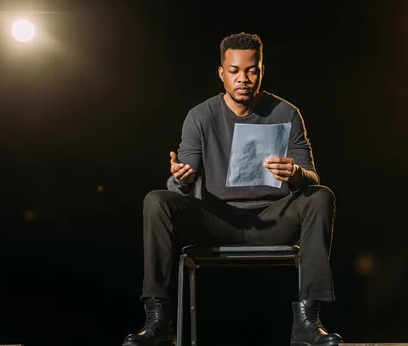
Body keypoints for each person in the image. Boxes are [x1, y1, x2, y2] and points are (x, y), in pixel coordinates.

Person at [122, 32, 342, 346]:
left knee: (321, 197)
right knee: (157, 200)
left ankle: (308, 320)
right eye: (235, 71)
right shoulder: (200, 116)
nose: (244, 78)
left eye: (251, 70)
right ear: (222, 73)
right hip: (218, 221)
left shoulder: (286, 113)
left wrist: (295, 173)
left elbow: (312, 177)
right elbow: (182, 179)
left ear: (261, 71)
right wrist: (181, 179)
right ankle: (159, 319)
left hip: (272, 220)